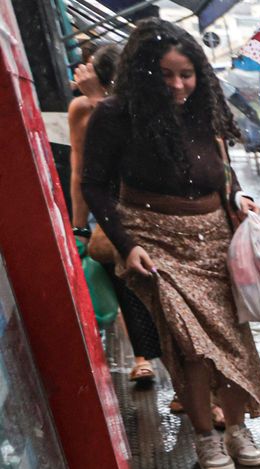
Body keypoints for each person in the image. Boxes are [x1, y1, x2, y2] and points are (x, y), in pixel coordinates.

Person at [81, 19, 260, 469]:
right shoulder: (114, 115)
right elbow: (95, 184)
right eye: (165, 75)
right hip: (153, 239)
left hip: (215, 238)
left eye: (186, 74)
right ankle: (207, 437)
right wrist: (127, 245)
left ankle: (237, 430)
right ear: (142, 73)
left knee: (232, 340)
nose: (177, 84)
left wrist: (238, 198)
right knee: (189, 345)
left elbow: (224, 171)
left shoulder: (204, 107)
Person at [68, 43, 166, 390]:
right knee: (126, 283)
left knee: (159, 287)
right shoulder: (81, 108)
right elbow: (82, 169)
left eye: (90, 66)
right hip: (107, 209)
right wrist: (79, 227)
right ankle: (143, 359)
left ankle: (188, 380)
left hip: (148, 205)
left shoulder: (145, 106)